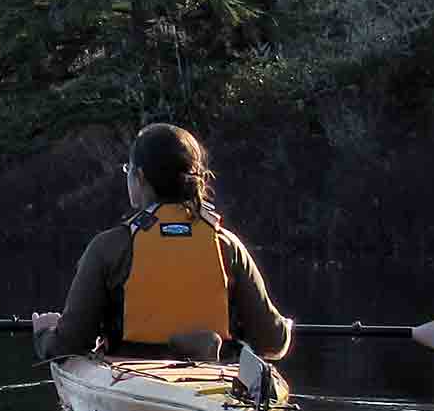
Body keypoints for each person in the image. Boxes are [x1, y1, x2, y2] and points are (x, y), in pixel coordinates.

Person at [30, 123, 292, 364]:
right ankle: (203, 356)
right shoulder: (227, 245)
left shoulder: (109, 247)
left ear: (140, 177)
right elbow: (272, 343)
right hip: (212, 381)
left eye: (128, 170)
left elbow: (67, 346)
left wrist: (44, 333)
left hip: (131, 375)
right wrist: (285, 327)